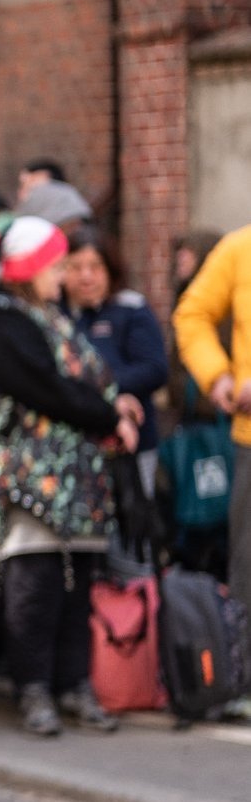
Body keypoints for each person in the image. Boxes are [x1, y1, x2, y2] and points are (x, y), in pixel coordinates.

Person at [0, 215, 133, 737]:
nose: (62, 276)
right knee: (36, 583)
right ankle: (33, 688)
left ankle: (74, 683)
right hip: (22, 477)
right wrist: (107, 417)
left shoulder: (46, 314)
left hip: (71, 477)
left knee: (78, 582)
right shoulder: (1, 321)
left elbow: (79, 379)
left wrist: (112, 403)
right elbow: (43, 387)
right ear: (29, 268)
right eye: (55, 265)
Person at [173, 221, 251, 633]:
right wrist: (218, 376)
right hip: (250, 441)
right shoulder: (240, 249)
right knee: (248, 567)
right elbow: (192, 314)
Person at [64, 229, 168, 513]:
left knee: (133, 523)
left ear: (110, 269)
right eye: (76, 267)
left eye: (95, 267)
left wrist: (100, 388)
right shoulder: (56, 315)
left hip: (131, 442)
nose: (86, 276)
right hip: (75, 444)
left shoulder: (130, 309)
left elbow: (154, 369)